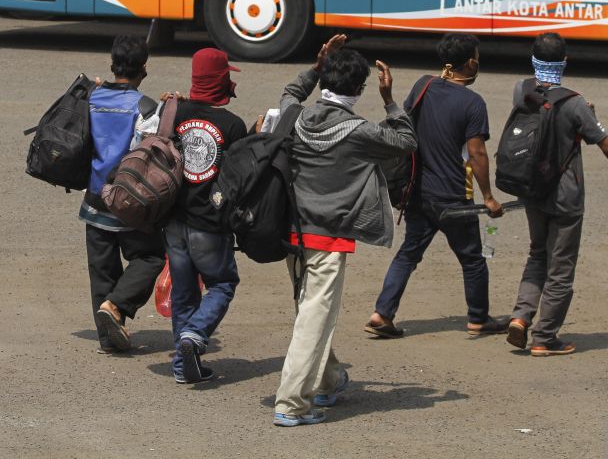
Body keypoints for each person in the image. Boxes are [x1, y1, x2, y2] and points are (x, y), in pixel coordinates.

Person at [272, 34, 417, 427]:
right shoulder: (361, 131)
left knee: (310, 311)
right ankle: (291, 404)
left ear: (324, 82)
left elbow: (290, 91)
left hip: (291, 232)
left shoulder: (294, 116)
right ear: (359, 89)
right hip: (329, 238)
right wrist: (390, 100)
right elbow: (406, 140)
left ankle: (328, 381)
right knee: (314, 316)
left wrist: (316, 67)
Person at [365, 33, 508, 339]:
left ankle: (382, 313)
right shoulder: (472, 103)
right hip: (453, 197)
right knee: (472, 259)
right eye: (477, 58)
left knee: (408, 254)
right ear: (470, 62)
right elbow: (477, 153)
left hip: (418, 193)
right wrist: (489, 197)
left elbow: (403, 127)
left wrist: (388, 98)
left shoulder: (423, 85)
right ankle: (478, 319)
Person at [506, 32, 608, 357]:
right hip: (565, 197)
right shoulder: (575, 103)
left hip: (532, 189)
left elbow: (545, 109)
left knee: (538, 254)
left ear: (533, 61)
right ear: (564, 62)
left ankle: (521, 317)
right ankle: (544, 337)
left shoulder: (522, 90)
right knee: (561, 267)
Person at [166, 48, 248, 384]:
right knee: (222, 283)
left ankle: (183, 368)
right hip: (209, 224)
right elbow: (241, 176)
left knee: (184, 293)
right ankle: (195, 334)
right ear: (220, 80)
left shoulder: (174, 112)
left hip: (173, 220)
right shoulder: (232, 124)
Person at [80, 35, 165, 354]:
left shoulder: (91, 98)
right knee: (150, 256)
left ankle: (108, 338)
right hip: (130, 203)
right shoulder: (146, 108)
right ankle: (115, 306)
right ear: (144, 69)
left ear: (112, 64)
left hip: (94, 198)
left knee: (102, 268)